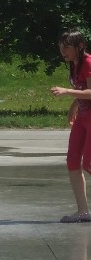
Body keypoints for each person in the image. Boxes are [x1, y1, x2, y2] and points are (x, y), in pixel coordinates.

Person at [49, 30, 91, 223]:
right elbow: (82, 90)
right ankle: (83, 211)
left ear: (80, 46)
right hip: (83, 116)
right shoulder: (74, 65)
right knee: (73, 161)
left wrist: (66, 91)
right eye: (60, 48)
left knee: (89, 163)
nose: (62, 51)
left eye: (66, 47)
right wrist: (74, 105)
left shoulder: (89, 63)